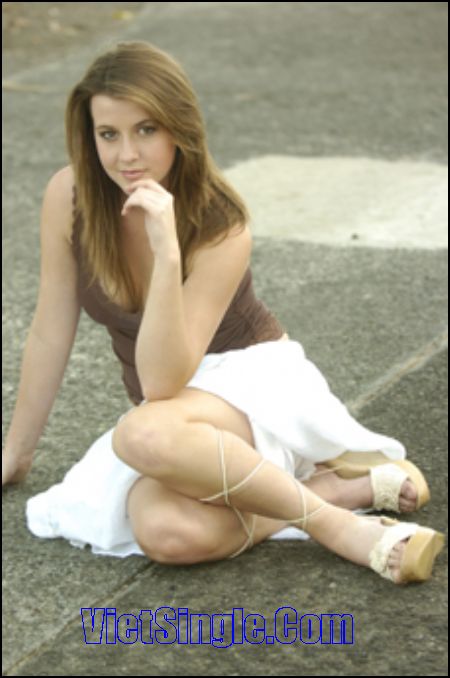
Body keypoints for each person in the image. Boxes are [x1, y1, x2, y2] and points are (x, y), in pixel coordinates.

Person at [2, 41, 444, 584]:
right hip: (173, 417)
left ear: (178, 128)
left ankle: (340, 529)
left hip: (249, 385)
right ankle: (329, 491)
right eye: (108, 134)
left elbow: (160, 381)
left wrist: (167, 255)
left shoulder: (222, 223)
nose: (127, 155)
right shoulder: (69, 196)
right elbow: (50, 330)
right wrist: (16, 454)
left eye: (146, 130)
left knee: (140, 435)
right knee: (167, 533)